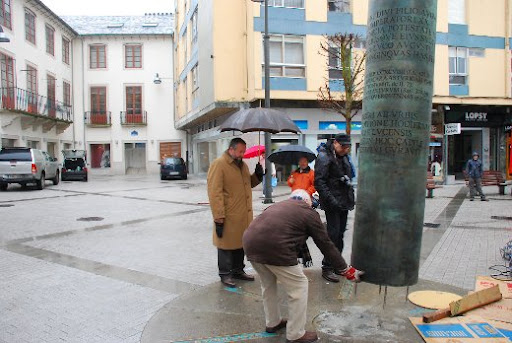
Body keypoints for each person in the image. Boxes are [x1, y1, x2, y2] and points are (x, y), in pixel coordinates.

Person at [243, 189, 364, 343]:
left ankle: (272, 322)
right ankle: (295, 334)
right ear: (308, 202)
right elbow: (326, 244)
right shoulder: (308, 212)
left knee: (268, 285)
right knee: (299, 286)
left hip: (251, 245)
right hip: (277, 249)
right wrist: (346, 270)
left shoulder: (277, 206)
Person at [207, 138, 264, 288]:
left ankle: (238, 270)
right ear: (231, 150)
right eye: (240, 151)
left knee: (240, 245)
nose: (242, 154)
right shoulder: (219, 165)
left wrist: (257, 175)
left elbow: (248, 184)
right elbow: (215, 193)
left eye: (243, 151)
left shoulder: (243, 166)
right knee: (226, 246)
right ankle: (225, 274)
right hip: (228, 216)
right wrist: (218, 217)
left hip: (242, 216)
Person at [314, 133, 355, 283]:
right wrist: (331, 200)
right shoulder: (324, 156)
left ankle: (338, 265)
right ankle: (327, 266)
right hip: (333, 203)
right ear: (336, 143)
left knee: (341, 234)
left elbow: (347, 175)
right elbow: (319, 182)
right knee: (333, 235)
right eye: (343, 146)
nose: (346, 149)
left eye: (347, 147)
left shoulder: (342, 156)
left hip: (343, 202)